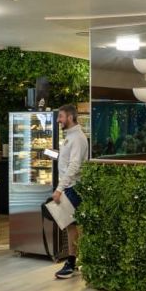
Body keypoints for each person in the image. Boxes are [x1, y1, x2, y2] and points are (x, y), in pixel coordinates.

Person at [52, 103, 89, 279]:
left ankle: (72, 263)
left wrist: (59, 189)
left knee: (72, 225)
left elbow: (74, 166)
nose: (58, 120)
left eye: (61, 116)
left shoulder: (78, 138)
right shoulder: (70, 137)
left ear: (70, 117)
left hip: (72, 188)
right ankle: (73, 262)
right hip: (68, 187)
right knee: (70, 225)